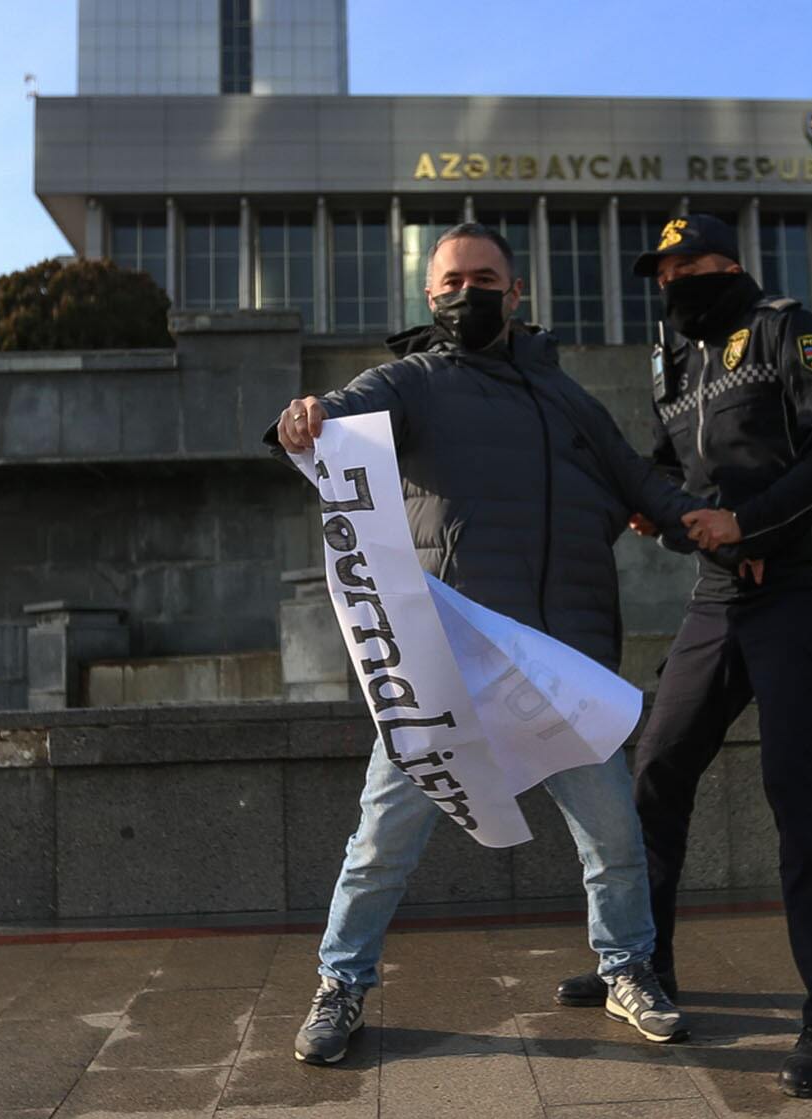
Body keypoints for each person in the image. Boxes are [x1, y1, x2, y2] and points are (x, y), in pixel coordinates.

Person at [271, 222, 736, 1066]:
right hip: (443, 665)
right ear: (428, 295)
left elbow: (638, 480)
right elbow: (340, 411)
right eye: (451, 282)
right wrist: (310, 416)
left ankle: (628, 967)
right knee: (380, 844)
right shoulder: (412, 382)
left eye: (483, 279)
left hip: (561, 663)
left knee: (614, 841)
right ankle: (340, 983)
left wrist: (702, 521)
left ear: (517, 292)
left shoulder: (567, 398)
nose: (466, 294)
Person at [627, 212, 812, 1098]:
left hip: (805, 582)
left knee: (793, 780)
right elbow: (668, 475)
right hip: (721, 590)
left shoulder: (789, 334)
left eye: (688, 264)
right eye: (662, 272)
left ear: (728, 263)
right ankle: (641, 963)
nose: (673, 281)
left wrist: (753, 524)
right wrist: (662, 515)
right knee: (657, 765)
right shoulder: (672, 362)